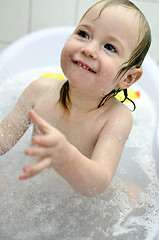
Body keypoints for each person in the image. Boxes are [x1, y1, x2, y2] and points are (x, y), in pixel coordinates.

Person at [0, 0, 151, 197]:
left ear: (128, 78)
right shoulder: (39, 91)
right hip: (33, 183)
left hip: (82, 199)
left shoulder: (116, 118)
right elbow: (4, 139)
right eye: (83, 34)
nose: (89, 49)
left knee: (135, 199)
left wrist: (66, 157)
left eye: (110, 47)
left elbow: (96, 185)